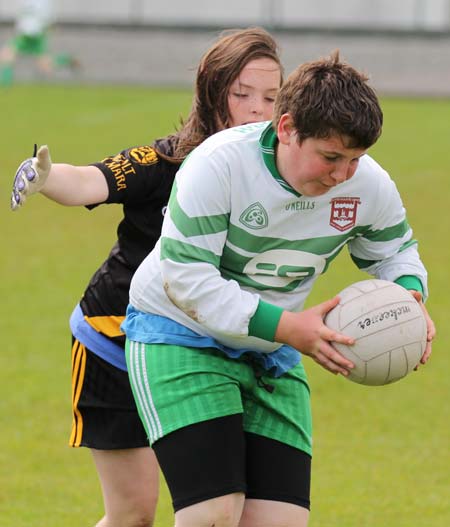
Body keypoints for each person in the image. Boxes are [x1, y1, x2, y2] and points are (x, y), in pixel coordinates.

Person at [121, 51, 435, 527]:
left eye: (355, 159)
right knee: (212, 513)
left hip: (272, 346)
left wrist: (409, 301)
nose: (341, 176)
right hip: (178, 331)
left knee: (279, 522)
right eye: (331, 157)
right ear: (287, 127)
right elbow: (188, 277)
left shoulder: (367, 185)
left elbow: (395, 253)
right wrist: (291, 327)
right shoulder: (218, 165)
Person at [10, 27, 283, 527]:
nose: (257, 109)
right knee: (133, 515)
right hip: (112, 341)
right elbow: (92, 180)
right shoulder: (169, 161)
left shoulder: (283, 178)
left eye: (271, 97)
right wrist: (48, 177)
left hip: (196, 352)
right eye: (241, 94)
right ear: (210, 89)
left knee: (225, 506)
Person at [0, 0, 78, 87]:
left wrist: (43, 29)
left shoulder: (44, 2)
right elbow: (22, 15)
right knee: (6, 55)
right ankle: (5, 85)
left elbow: (48, 18)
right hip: (25, 34)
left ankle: (66, 60)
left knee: (45, 66)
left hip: (36, 35)